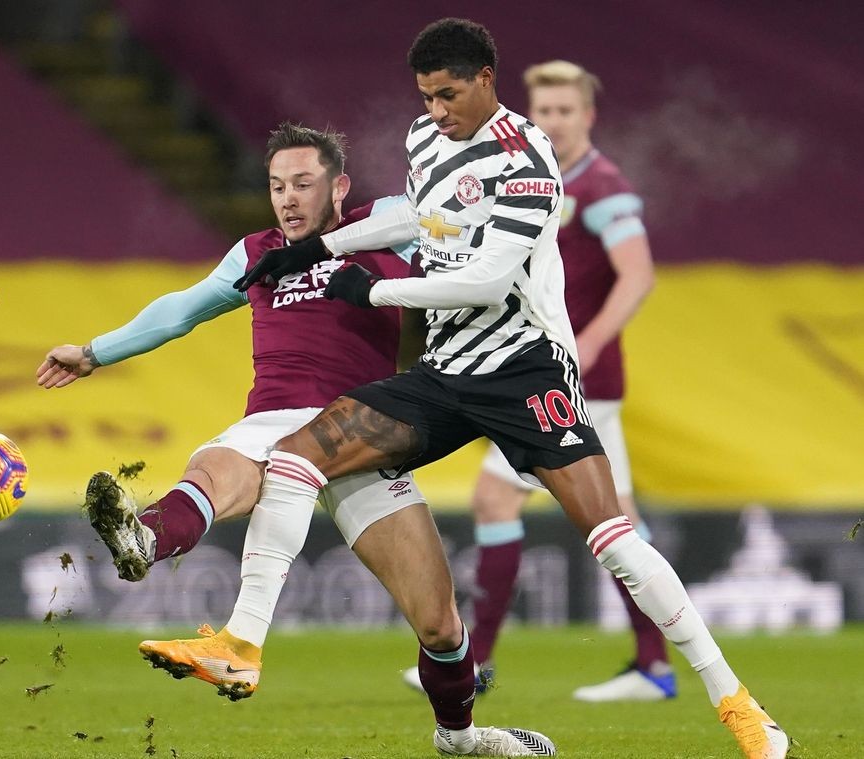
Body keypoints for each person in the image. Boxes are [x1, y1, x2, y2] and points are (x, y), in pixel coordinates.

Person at [231, 19, 788, 759]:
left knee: (612, 535)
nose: (436, 111)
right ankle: (240, 644)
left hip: (525, 369)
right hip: (445, 370)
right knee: (298, 454)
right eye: (426, 96)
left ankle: (740, 704)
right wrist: (316, 247)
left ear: (487, 78)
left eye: (449, 94)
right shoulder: (422, 140)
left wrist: (374, 297)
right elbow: (418, 218)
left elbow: (488, 278)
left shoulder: (528, 158)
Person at [38, 123, 555, 756]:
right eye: (278, 186)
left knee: (441, 625)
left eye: (304, 184)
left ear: (339, 187)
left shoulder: (387, 227)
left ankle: (461, 738)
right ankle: (144, 539)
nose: (288, 199)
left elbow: (449, 213)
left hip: (365, 430)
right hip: (275, 421)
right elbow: (183, 309)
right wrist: (94, 353)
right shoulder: (258, 251)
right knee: (213, 467)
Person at [403, 59, 671, 703]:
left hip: (569, 375)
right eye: (543, 110)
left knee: (527, 508)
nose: (550, 120)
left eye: (563, 111)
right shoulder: (526, 167)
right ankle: (653, 665)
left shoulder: (602, 187)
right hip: (544, 367)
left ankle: (480, 660)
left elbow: (638, 274)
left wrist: (588, 345)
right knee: (615, 520)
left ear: (588, 116)